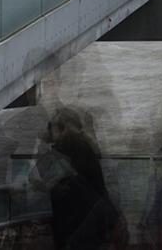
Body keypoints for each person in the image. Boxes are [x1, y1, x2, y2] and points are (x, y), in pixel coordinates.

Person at [29, 107, 123, 250]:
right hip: (92, 215)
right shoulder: (84, 144)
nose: (49, 129)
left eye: (51, 126)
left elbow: (35, 175)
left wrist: (42, 140)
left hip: (77, 221)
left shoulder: (68, 143)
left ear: (62, 127)